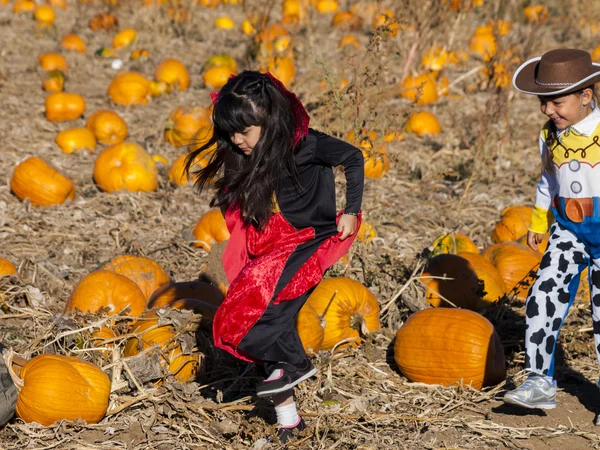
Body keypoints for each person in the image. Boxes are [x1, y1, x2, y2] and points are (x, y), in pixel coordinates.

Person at [185, 71, 364, 441]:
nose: (237, 141)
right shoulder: (243, 151)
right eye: (231, 133)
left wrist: (351, 209)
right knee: (242, 321)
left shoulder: (306, 145)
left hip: (303, 243)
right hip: (268, 247)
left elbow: (353, 156)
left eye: (245, 131)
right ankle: (289, 419)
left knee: (260, 321)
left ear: (270, 121)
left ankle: (296, 364)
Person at [503, 48, 600, 410]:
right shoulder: (550, 135)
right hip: (568, 228)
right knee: (543, 293)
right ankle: (539, 380)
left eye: (556, 102)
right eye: (544, 102)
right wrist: (538, 221)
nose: (548, 110)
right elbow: (548, 180)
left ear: (586, 96)